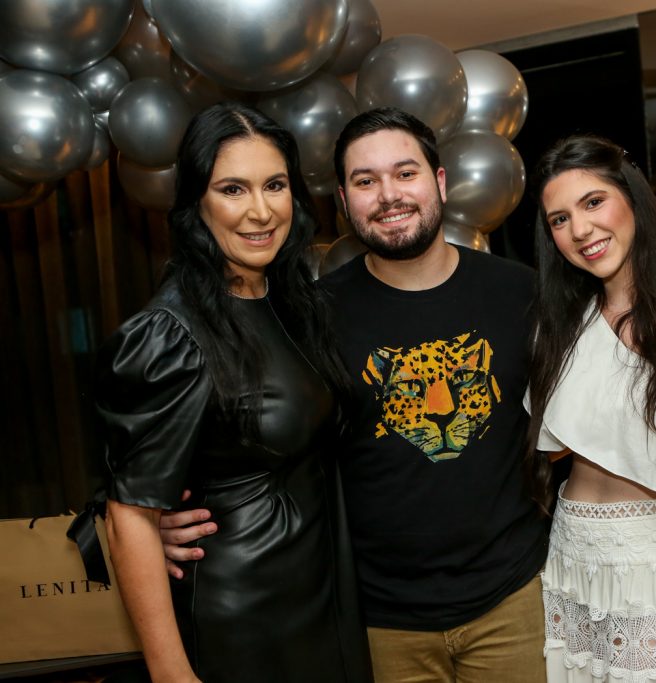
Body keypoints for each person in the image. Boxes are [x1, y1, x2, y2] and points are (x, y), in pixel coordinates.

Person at [159, 107, 550, 682]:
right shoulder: (309, 316)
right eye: (366, 181)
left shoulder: (521, 293)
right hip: (376, 620)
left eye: (405, 173)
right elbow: (245, 433)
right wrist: (165, 520)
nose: (389, 195)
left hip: (513, 601)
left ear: (439, 182)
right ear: (343, 201)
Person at [98, 103, 372, 682]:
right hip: (243, 618)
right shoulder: (169, 333)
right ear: (198, 202)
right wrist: (174, 676)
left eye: (274, 185)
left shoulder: (293, 302)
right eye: (232, 189)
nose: (260, 210)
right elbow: (129, 515)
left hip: (323, 600)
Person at [525, 135, 656, 681]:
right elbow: (551, 450)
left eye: (593, 202)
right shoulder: (560, 321)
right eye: (559, 219)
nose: (580, 230)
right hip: (575, 558)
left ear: (632, 199)